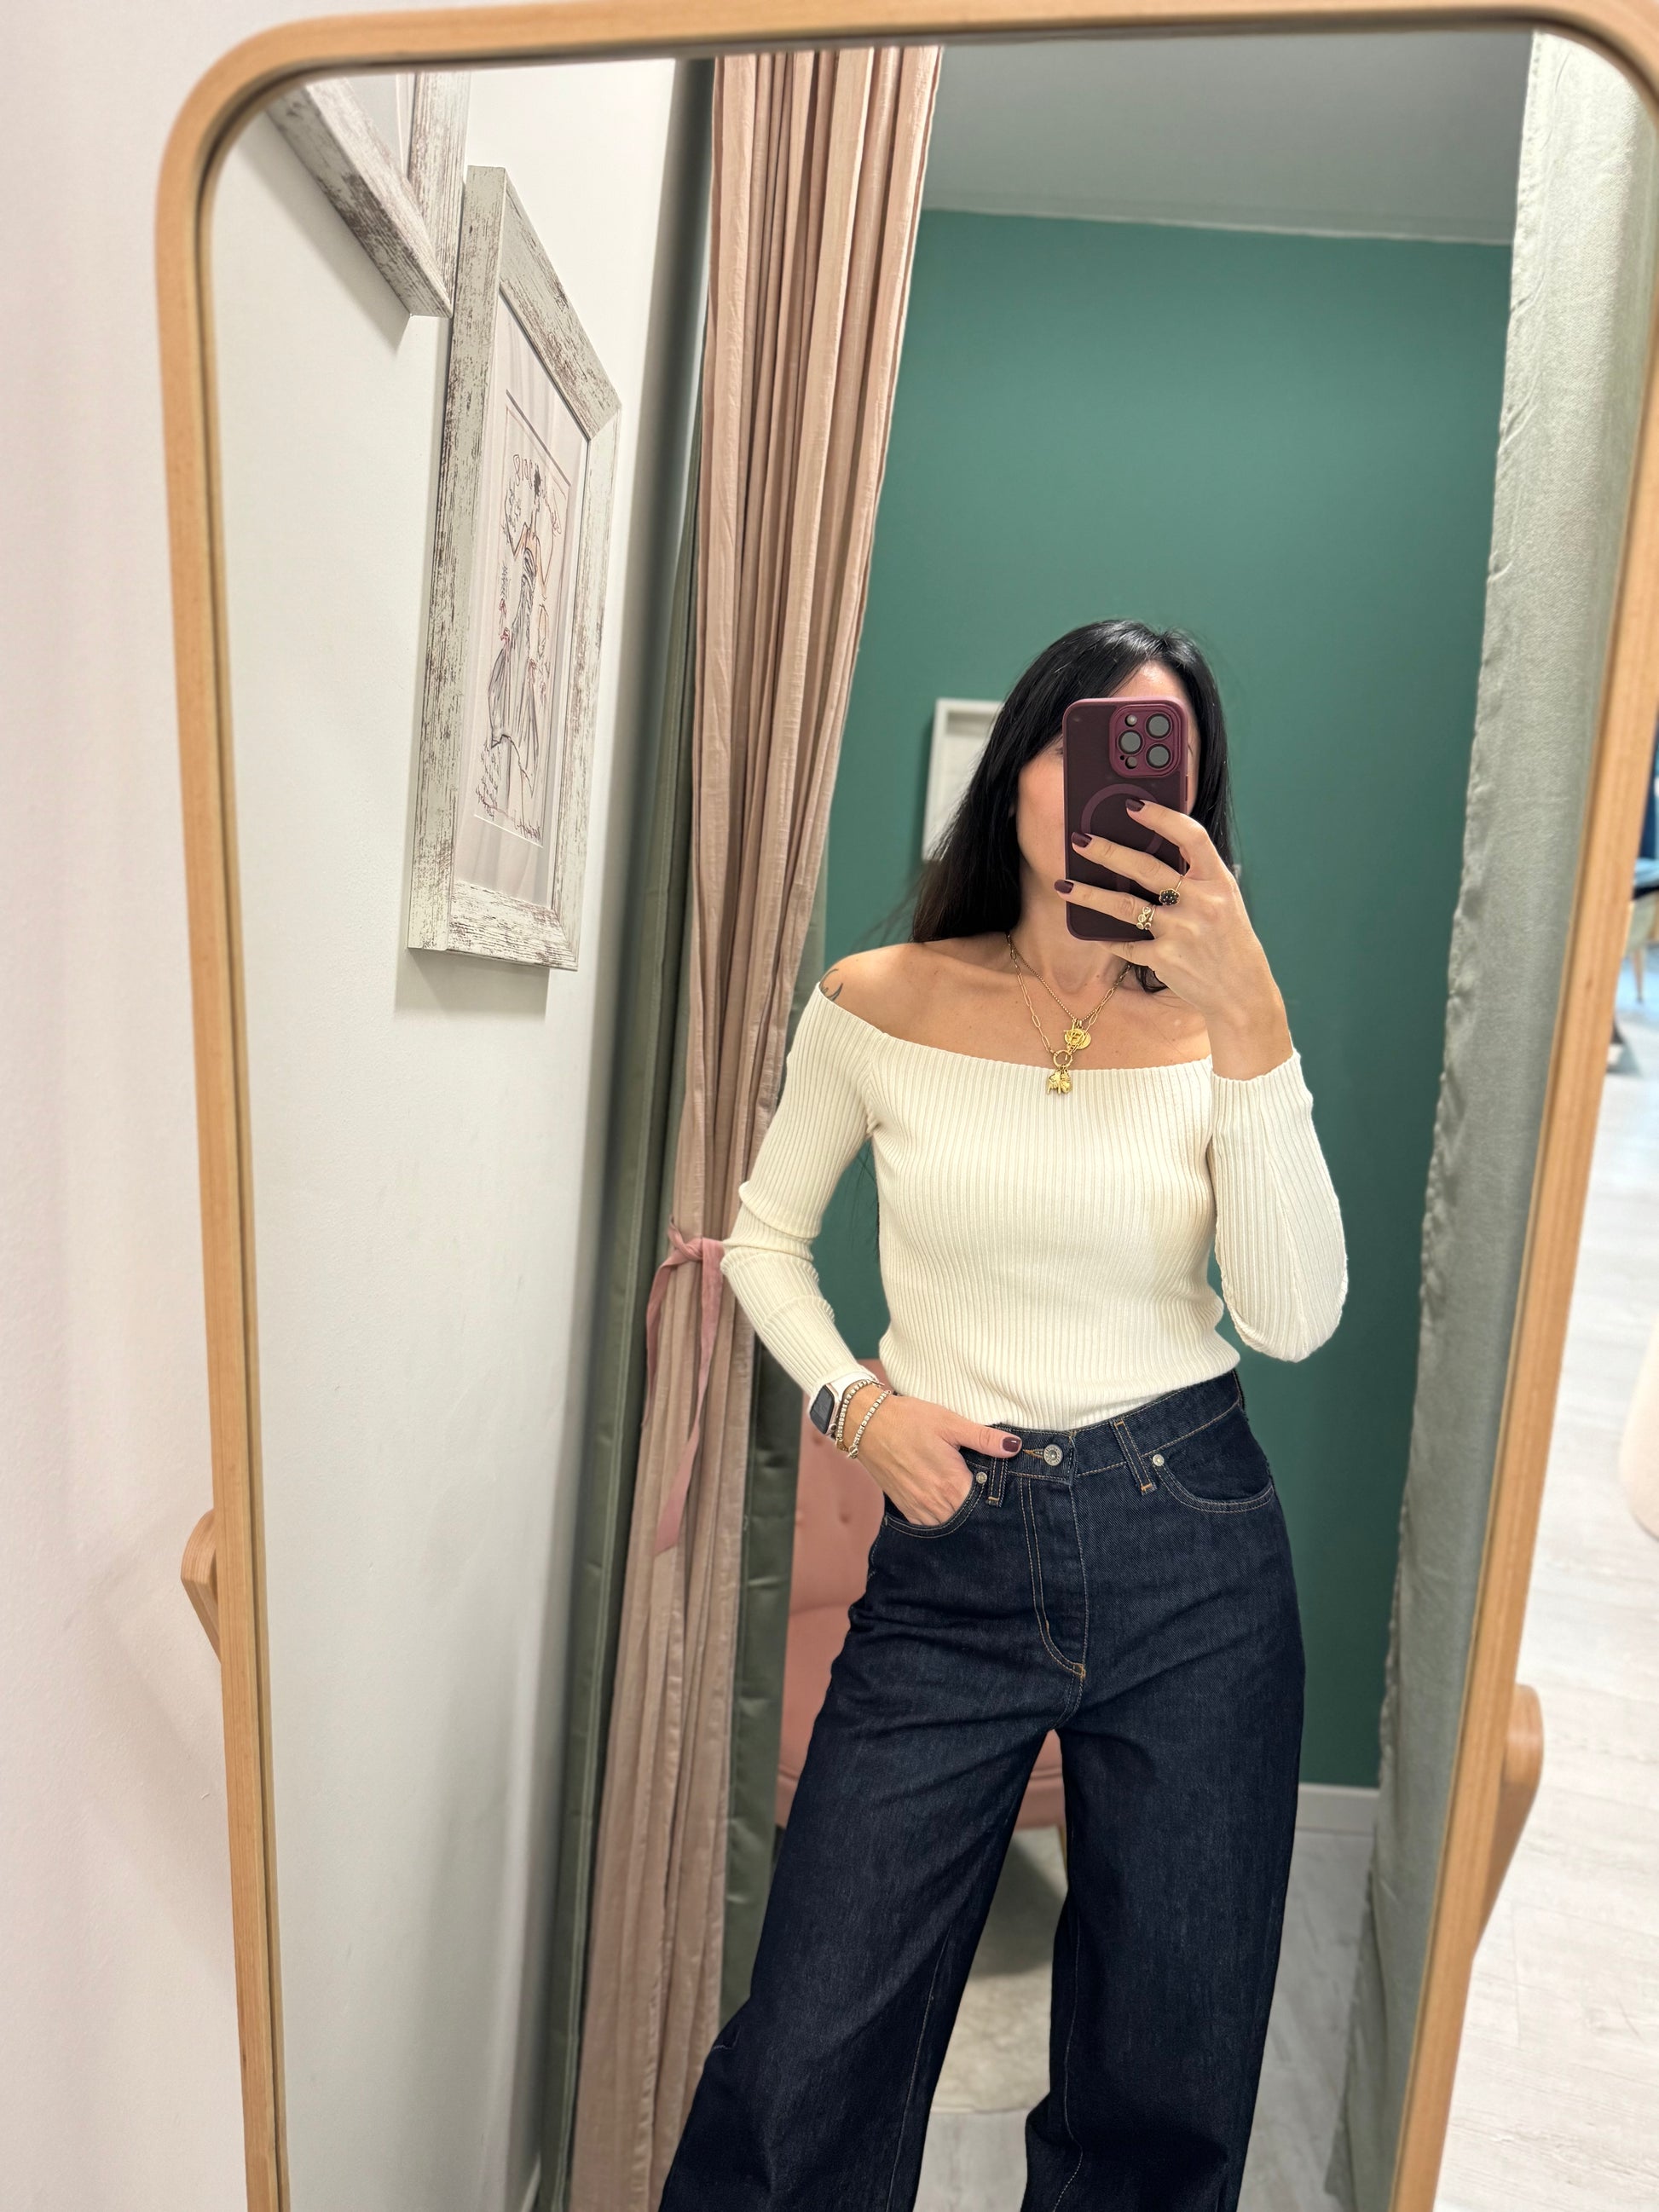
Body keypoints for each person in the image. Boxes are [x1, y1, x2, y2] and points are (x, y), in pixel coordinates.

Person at [660, 617, 1349, 2212]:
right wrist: (859, 1411)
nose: (1120, 784)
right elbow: (760, 1241)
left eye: (1161, 757)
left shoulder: (1223, 1028)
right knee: (807, 2047)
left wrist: (1252, 1020)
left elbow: (1295, 1316)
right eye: (1089, 740)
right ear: (1021, 767)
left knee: (1165, 2076)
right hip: (952, 1548)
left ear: (1194, 799)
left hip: (1192, 1550)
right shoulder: (879, 999)